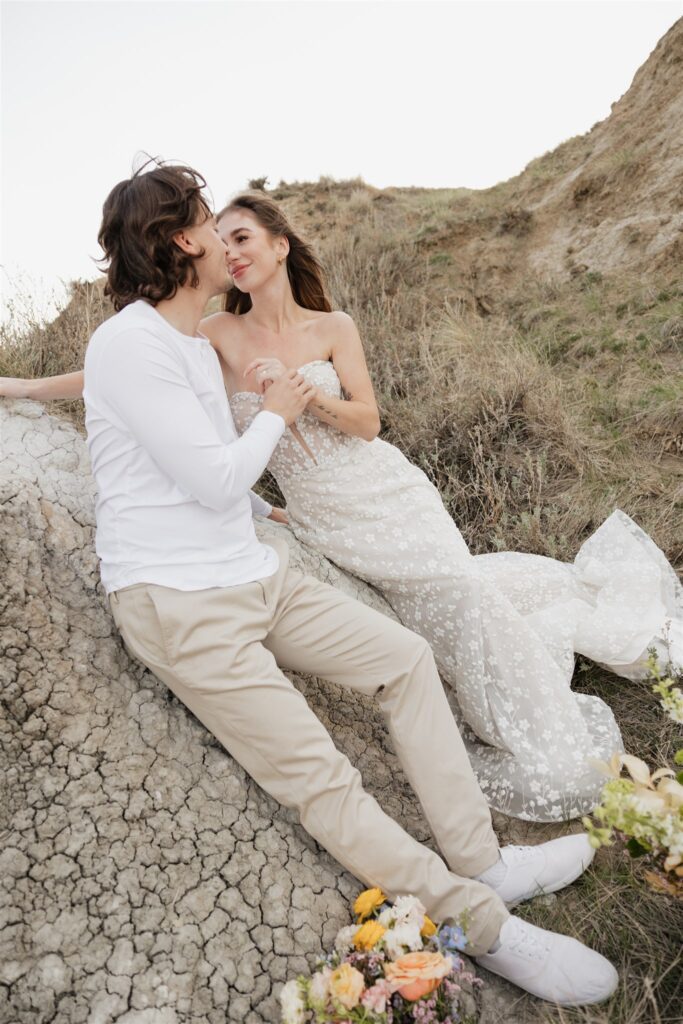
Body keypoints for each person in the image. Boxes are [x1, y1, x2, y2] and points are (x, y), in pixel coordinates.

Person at [1, 158, 620, 1006]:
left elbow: (219, 466)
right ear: (184, 240)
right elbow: (219, 478)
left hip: (251, 573)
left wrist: (272, 487)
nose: (225, 236)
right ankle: (487, 927)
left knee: (402, 660)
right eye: (212, 223)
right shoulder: (128, 343)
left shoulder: (187, 339)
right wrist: (283, 415)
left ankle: (484, 861)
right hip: (182, 607)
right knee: (322, 780)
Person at [7, 189, 681, 824]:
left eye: (243, 237)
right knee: (421, 612)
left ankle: (527, 723)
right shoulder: (214, 331)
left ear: (278, 246)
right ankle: (468, 704)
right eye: (223, 239)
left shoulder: (334, 326)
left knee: (457, 589)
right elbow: (125, 371)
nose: (231, 250)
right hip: (324, 516)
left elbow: (368, 423)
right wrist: (31, 387)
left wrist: (302, 396)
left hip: (385, 492)